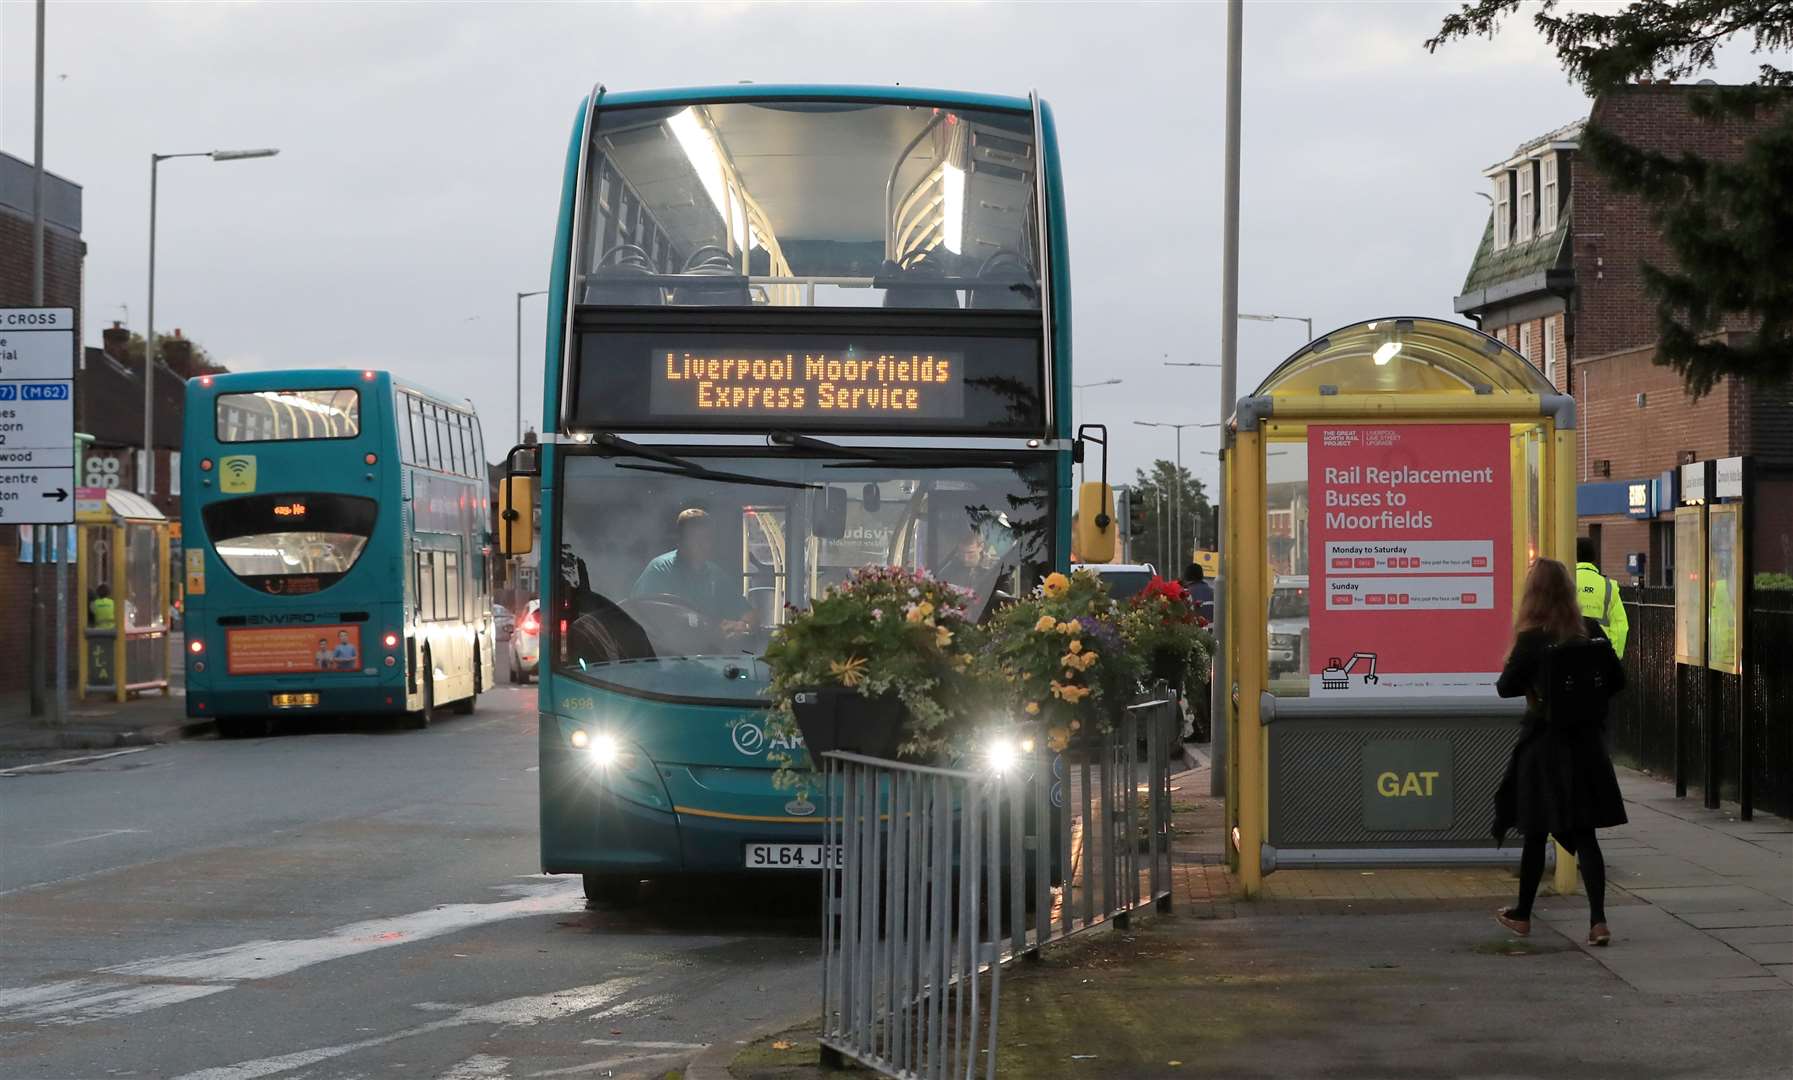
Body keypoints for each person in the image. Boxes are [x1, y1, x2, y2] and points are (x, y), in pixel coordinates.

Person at [1492, 558, 1627, 946]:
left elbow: (1505, 686)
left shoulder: (1533, 637)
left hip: (1544, 746)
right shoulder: (1589, 630)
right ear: (1568, 592)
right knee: (1585, 834)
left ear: (1532, 595)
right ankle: (1598, 921)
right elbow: (1616, 680)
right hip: (1585, 745)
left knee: (1536, 831)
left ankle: (1522, 915)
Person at [631, 508, 749, 631]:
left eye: (706, 538)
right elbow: (638, 621)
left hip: (709, 648)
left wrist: (743, 625)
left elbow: (749, 614)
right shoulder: (658, 570)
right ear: (680, 540)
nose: (701, 544)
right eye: (693, 538)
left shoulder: (715, 574)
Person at [1575, 536, 1630, 659]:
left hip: (1568, 653)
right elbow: (1620, 626)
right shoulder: (1609, 586)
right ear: (1594, 558)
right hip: (1600, 653)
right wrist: (1613, 657)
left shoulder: (1564, 582)